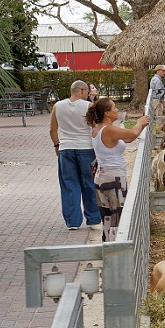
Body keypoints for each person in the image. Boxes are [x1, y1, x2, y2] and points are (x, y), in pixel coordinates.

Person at [85, 98, 150, 241]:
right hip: (114, 179)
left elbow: (127, 139)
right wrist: (139, 123)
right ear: (107, 113)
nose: (117, 110)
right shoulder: (108, 130)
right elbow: (132, 134)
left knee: (107, 218)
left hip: (101, 177)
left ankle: (107, 249)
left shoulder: (98, 128)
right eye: (114, 107)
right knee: (118, 218)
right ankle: (116, 251)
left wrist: (141, 126)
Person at [50, 80, 103, 231]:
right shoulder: (88, 106)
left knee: (69, 185)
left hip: (66, 149)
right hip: (86, 148)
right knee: (89, 184)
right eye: (86, 92)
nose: (87, 95)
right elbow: (96, 127)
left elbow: (52, 130)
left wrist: (57, 145)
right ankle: (93, 218)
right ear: (82, 90)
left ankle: (72, 221)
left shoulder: (57, 106)